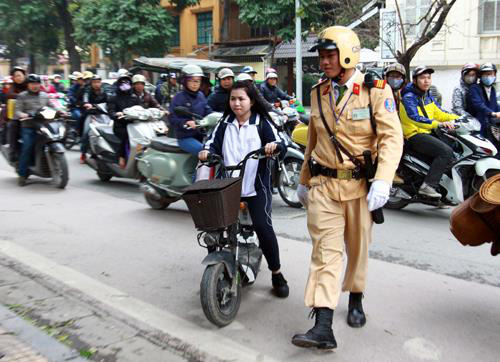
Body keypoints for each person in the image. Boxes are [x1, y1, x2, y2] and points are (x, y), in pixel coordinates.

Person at [292, 26, 403, 350]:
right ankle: (323, 324)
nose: (324, 62)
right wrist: (303, 181)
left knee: (357, 249)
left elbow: (392, 138)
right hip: (324, 186)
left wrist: (383, 178)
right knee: (325, 253)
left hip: (359, 186)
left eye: (330, 55)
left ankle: (355, 295)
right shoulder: (317, 93)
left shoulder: (376, 90)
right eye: (322, 56)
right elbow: (313, 141)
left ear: (347, 54)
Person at [199, 81, 289, 298]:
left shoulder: (261, 123)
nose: (237, 103)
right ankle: (218, 269)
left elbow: (281, 143)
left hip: (256, 187)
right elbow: (211, 144)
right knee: (215, 227)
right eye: (233, 99)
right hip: (228, 186)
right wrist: (205, 152)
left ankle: (276, 273)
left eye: (241, 99)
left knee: (262, 226)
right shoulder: (224, 123)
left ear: (251, 101)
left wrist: (274, 147)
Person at [399, 65, 459, 198]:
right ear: (414, 80)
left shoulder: (427, 95)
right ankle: (428, 186)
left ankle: (442, 192)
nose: (426, 81)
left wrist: (459, 118)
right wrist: (438, 124)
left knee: (454, 153)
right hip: (414, 135)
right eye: (422, 78)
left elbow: (440, 113)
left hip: (427, 132)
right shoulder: (409, 97)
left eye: (428, 77)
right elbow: (415, 118)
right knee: (445, 152)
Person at [14, 74, 51, 186]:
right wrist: (24, 114)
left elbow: (51, 106)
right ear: (28, 85)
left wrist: (61, 110)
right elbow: (17, 111)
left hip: (44, 125)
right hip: (28, 126)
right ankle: (22, 174)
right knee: (28, 146)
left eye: (37, 83)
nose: (35, 86)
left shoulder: (45, 95)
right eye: (32, 84)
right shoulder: (22, 96)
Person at [169, 64, 212, 156]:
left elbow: (207, 110)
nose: (195, 83)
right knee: (205, 153)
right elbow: (172, 118)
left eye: (198, 81)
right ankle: (198, 171)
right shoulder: (178, 97)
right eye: (191, 80)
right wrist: (185, 122)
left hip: (201, 135)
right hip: (185, 137)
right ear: (184, 81)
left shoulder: (200, 95)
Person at [107, 74, 139, 169]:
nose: (125, 85)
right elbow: (111, 111)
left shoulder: (134, 97)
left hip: (134, 125)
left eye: (127, 83)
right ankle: (121, 157)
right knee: (126, 135)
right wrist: (116, 114)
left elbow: (140, 109)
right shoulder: (113, 98)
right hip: (120, 125)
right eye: (123, 83)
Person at [80, 75, 108, 163]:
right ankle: (83, 154)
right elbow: (85, 100)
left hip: (104, 116)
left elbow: (109, 100)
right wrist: (87, 104)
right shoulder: (88, 91)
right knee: (86, 134)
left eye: (98, 82)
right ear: (91, 83)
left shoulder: (105, 91)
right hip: (91, 115)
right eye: (94, 82)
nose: (96, 84)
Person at [468, 62, 500, 139]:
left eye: (491, 74)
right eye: (486, 74)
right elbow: (478, 104)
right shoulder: (474, 88)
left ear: (494, 75)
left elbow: (495, 105)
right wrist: (492, 113)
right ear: (480, 76)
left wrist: (497, 112)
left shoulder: (492, 89)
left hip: (492, 124)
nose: (488, 76)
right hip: (479, 123)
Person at [3, 67, 28, 162]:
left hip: (34, 112)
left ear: (24, 75)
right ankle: (12, 151)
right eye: (15, 76)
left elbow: (42, 93)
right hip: (18, 113)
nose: (18, 77)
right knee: (12, 125)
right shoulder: (12, 86)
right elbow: (9, 95)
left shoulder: (30, 83)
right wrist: (22, 96)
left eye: (19, 75)